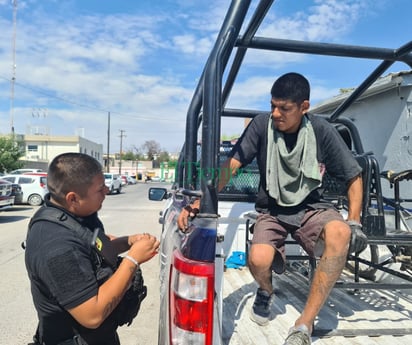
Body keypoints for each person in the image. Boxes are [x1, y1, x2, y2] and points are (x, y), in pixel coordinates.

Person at [178, 72, 365, 345]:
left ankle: (304, 323)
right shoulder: (261, 126)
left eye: (284, 108)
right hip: (272, 210)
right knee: (258, 260)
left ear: (304, 107)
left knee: (340, 233)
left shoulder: (322, 130)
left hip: (313, 207)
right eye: (272, 106)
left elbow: (353, 175)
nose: (276, 113)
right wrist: (201, 200)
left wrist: (355, 220)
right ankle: (266, 290)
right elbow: (233, 164)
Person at [24, 152, 160, 345]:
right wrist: (133, 259)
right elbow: (92, 316)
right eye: (99, 189)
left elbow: (94, 252)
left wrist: (128, 241)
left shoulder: (77, 216)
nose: (106, 190)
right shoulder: (56, 246)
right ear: (73, 198)